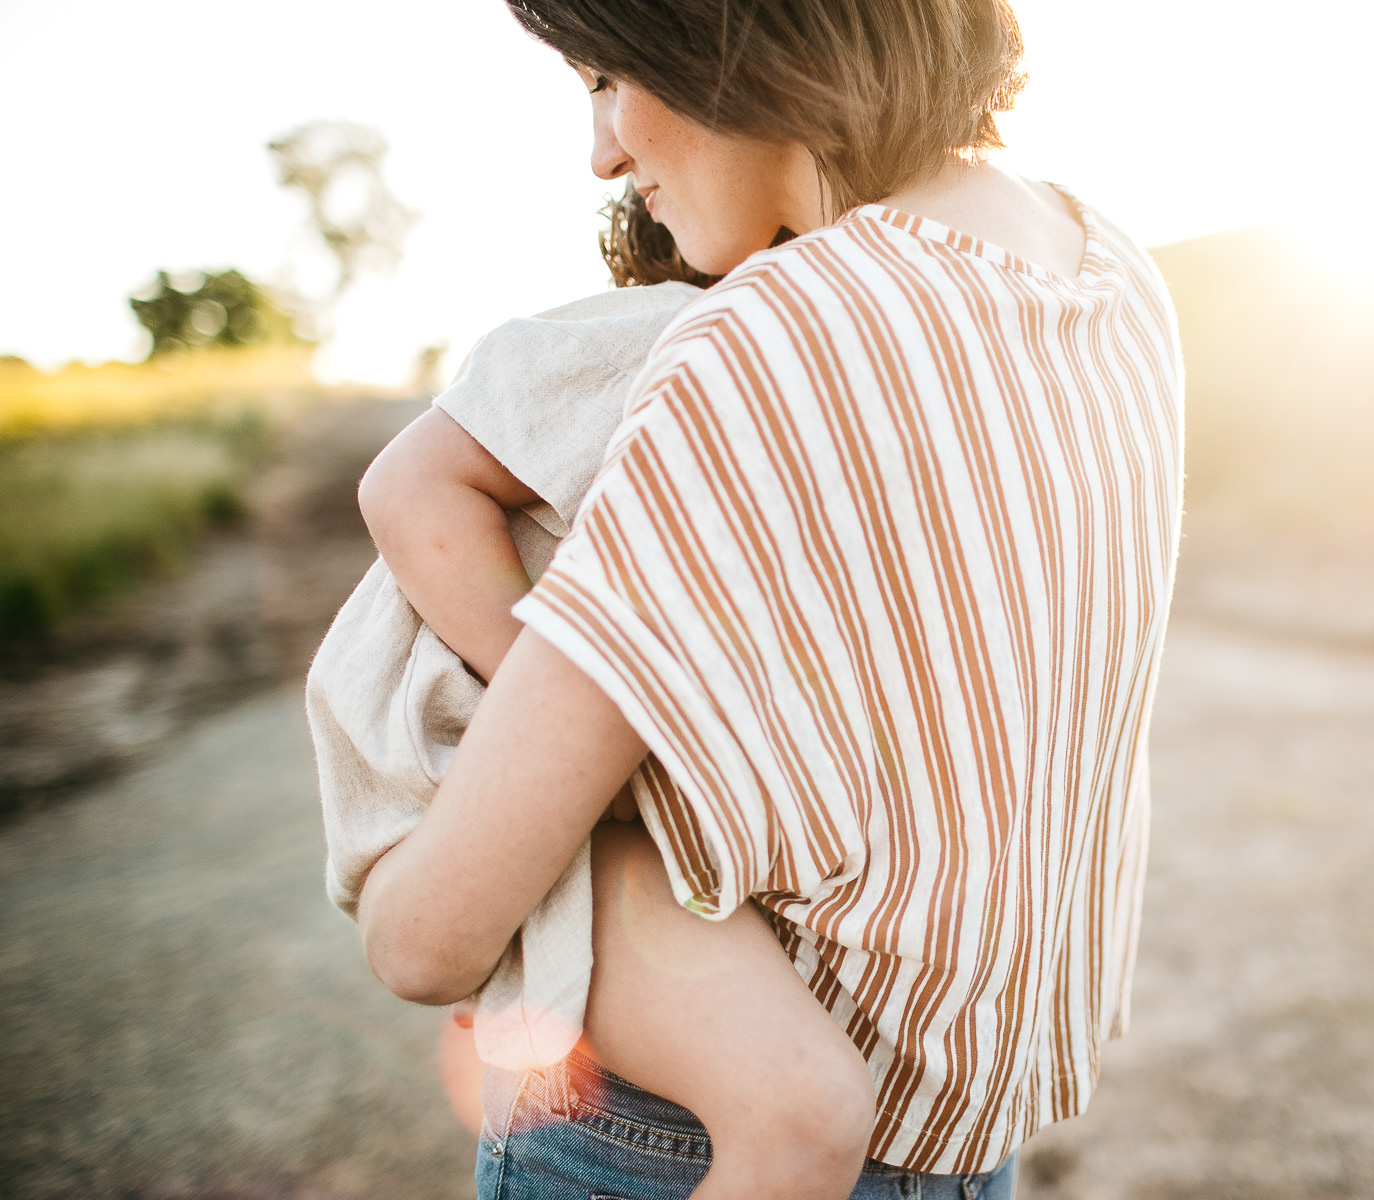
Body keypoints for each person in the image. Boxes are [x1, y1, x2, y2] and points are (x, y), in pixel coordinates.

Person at [355, 0, 1185, 1196]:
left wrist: (397, 852)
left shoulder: (766, 341)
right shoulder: (1114, 273)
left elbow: (427, 938)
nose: (604, 151)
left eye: (607, 73)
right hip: (967, 1155)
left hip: (669, 1152)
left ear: (728, 30)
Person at [308, 180, 881, 1200]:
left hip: (497, 809)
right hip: (475, 772)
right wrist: (554, 714)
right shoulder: (694, 330)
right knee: (799, 1107)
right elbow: (404, 485)